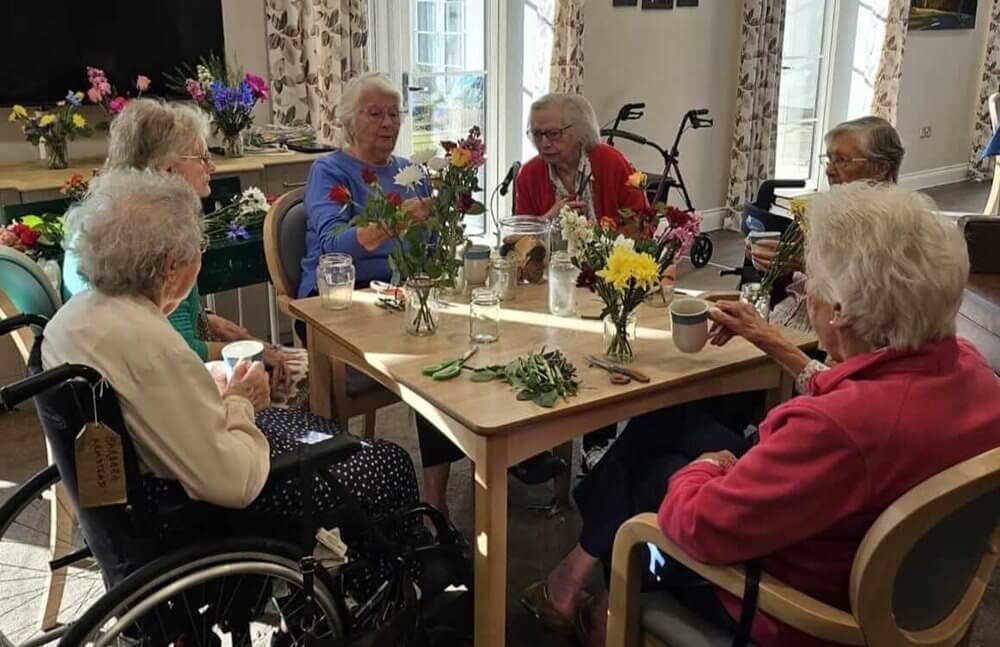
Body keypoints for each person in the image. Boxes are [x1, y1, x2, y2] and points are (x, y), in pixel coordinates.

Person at [529, 183, 1000, 646]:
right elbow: (873, 396)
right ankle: (575, 580)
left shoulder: (835, 428)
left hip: (788, 606)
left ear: (839, 311)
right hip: (889, 577)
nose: (806, 290)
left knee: (654, 475)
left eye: (810, 281)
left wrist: (708, 467)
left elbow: (698, 525)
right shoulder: (973, 372)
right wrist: (771, 340)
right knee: (667, 421)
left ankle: (600, 598)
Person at [43, 170, 420, 595]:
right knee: (388, 463)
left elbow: (170, 413)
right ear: (171, 267)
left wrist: (227, 397)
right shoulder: (154, 348)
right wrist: (244, 399)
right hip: (198, 509)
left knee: (303, 427)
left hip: (144, 497)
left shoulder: (74, 320)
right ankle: (390, 597)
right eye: (198, 249)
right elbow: (234, 482)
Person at [61, 99, 291, 388]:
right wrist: (256, 352)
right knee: (299, 375)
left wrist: (209, 319)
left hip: (116, 382)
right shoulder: (154, 239)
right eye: (201, 157)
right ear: (167, 168)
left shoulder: (105, 219)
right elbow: (179, 351)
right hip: (160, 386)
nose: (213, 166)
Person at [516, 93, 654, 468]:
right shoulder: (530, 174)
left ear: (579, 133)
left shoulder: (609, 163)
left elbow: (642, 226)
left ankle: (598, 443)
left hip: (607, 278)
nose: (544, 143)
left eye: (553, 134)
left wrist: (602, 235)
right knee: (533, 343)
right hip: (551, 281)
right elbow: (518, 246)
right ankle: (534, 442)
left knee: (602, 349)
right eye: (536, 134)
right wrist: (550, 219)